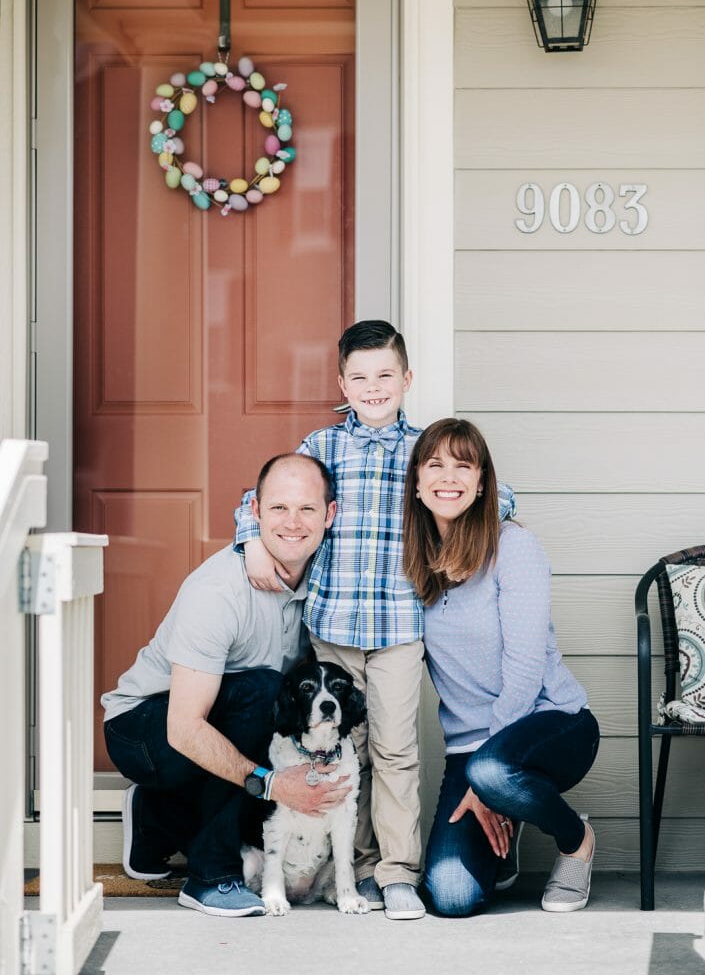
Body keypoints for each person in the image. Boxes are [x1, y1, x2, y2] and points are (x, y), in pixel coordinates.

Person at [234, 321, 516, 920]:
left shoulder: (425, 450)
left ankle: (395, 874)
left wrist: (467, 537)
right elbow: (261, 497)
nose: (373, 387)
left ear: (407, 379)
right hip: (331, 629)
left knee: (393, 752)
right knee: (341, 753)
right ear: (341, 383)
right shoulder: (321, 447)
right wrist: (250, 541)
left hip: (397, 629)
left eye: (385, 375)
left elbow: (495, 496)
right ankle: (354, 872)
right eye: (359, 377)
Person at [101, 453, 351, 918]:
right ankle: (211, 877)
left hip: (222, 716)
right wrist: (271, 783)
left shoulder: (329, 581)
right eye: (278, 508)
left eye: (307, 509)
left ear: (329, 515)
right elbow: (184, 729)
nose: (293, 523)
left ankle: (154, 818)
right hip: (144, 726)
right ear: (254, 512)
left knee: (267, 714)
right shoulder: (218, 592)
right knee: (263, 695)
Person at [402, 418, 600, 917]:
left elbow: (526, 663)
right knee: (449, 896)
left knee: (492, 769)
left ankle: (576, 840)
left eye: (463, 466)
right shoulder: (412, 563)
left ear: (483, 482)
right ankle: (502, 821)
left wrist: (486, 784)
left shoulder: (513, 547)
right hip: (470, 750)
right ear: (418, 485)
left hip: (552, 725)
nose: (449, 477)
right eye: (435, 465)